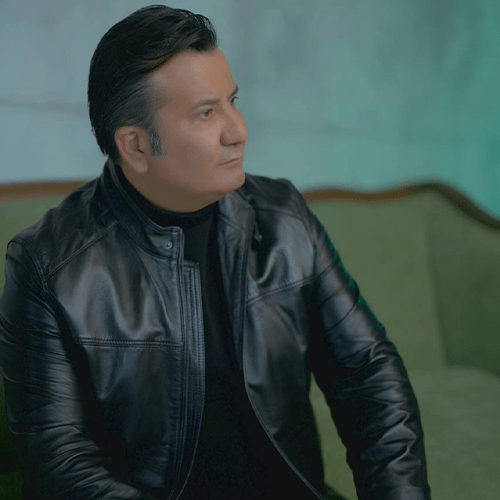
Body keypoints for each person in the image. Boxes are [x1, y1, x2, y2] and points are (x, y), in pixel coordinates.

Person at [0, 5, 431, 500]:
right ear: (135, 146)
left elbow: (368, 373)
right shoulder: (48, 266)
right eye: (206, 113)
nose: (238, 130)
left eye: (233, 101)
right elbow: (61, 462)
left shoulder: (284, 217)